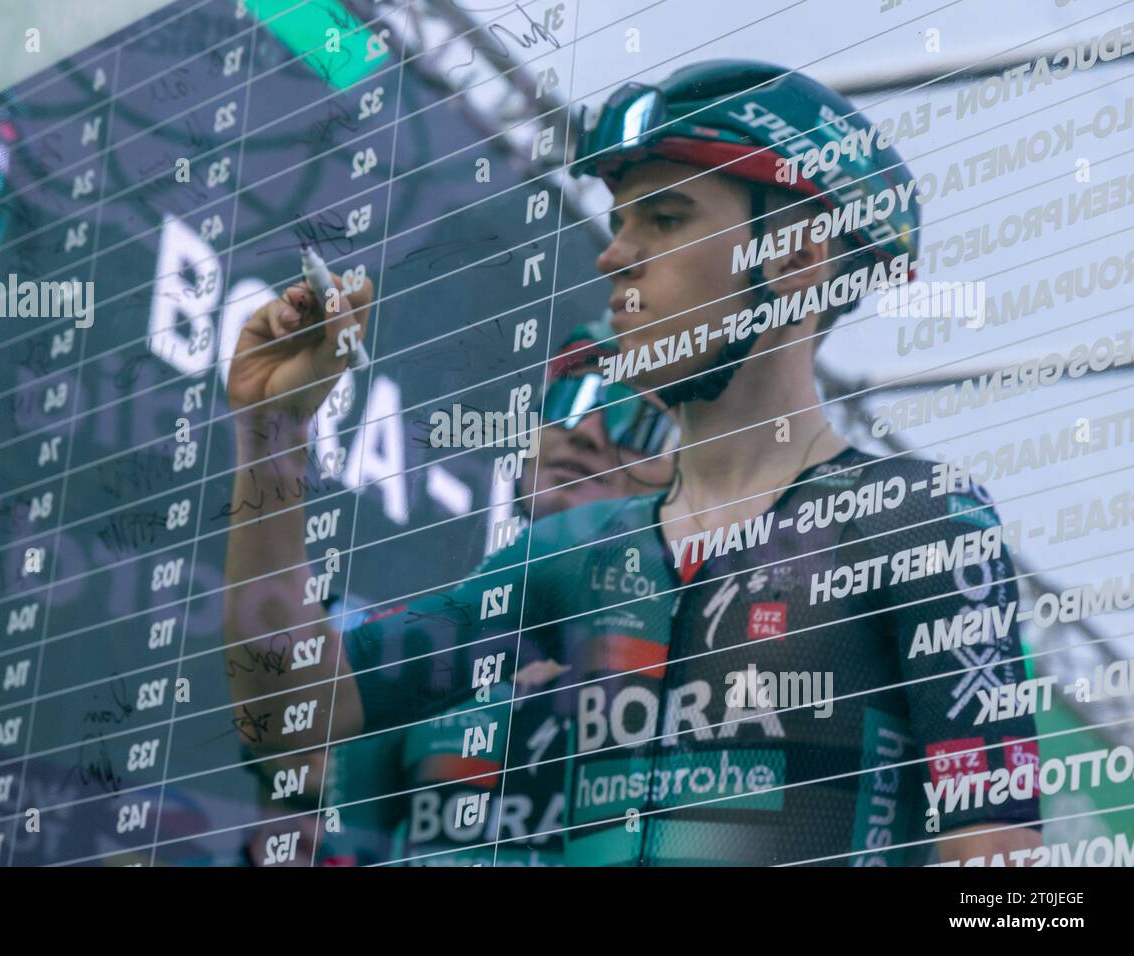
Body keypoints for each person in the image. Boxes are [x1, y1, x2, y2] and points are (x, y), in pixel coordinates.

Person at [224, 59, 1041, 866]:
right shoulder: (572, 555)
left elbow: (1003, 868)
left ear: (795, 258)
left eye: (665, 217)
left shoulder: (920, 517)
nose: (614, 256)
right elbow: (289, 708)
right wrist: (272, 432)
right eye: (618, 221)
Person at [242, 322, 679, 865]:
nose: (587, 431)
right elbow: (290, 704)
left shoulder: (707, 648)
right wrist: (274, 428)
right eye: (572, 397)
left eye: (631, 418)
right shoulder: (446, 633)